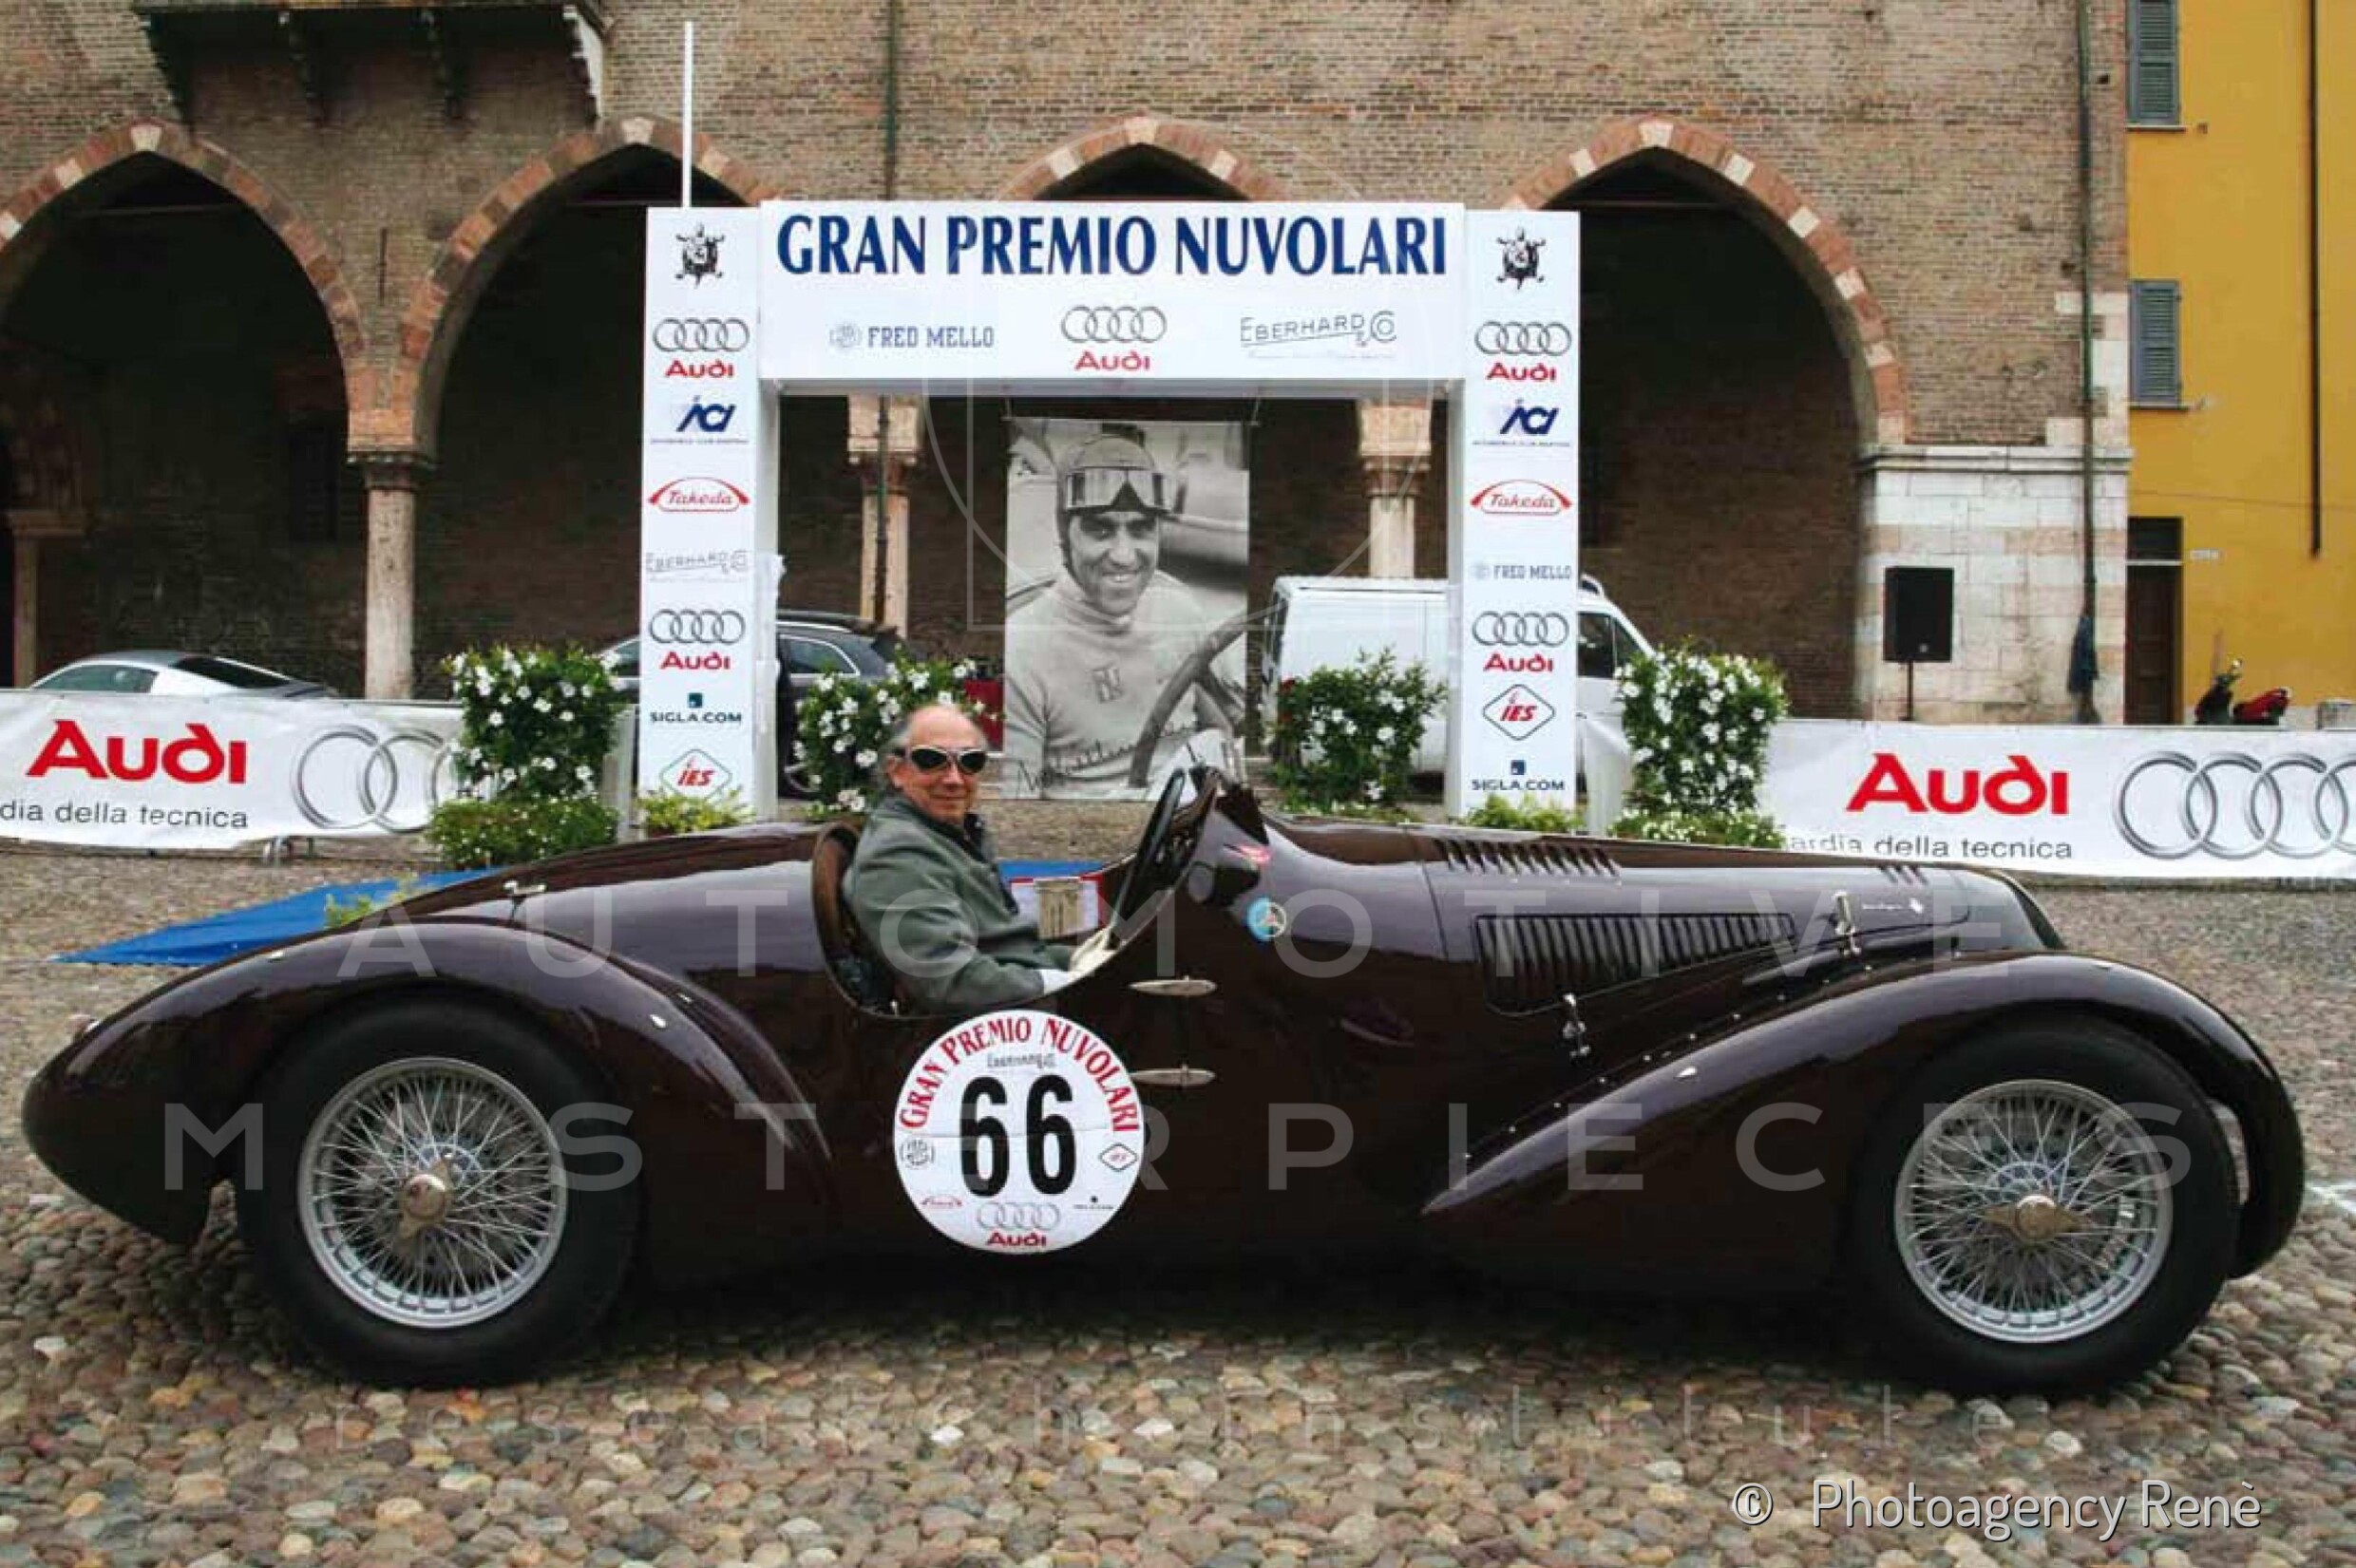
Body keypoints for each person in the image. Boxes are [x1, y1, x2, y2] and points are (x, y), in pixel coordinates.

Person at [1003, 429, 1243, 799]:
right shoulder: (1023, 648)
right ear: (1065, 537)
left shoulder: (1177, 607)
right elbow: (1018, 812)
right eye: (1100, 530)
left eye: (1141, 529)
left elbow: (1229, 723)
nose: (1124, 556)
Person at [846, 702, 1109, 1014]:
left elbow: (1008, 947)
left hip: (1011, 1006)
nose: (954, 779)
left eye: (970, 762)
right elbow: (950, 981)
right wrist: (1069, 981)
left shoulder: (944, 835)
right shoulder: (898, 854)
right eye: (932, 760)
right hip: (987, 1025)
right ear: (897, 772)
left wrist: (1082, 960)